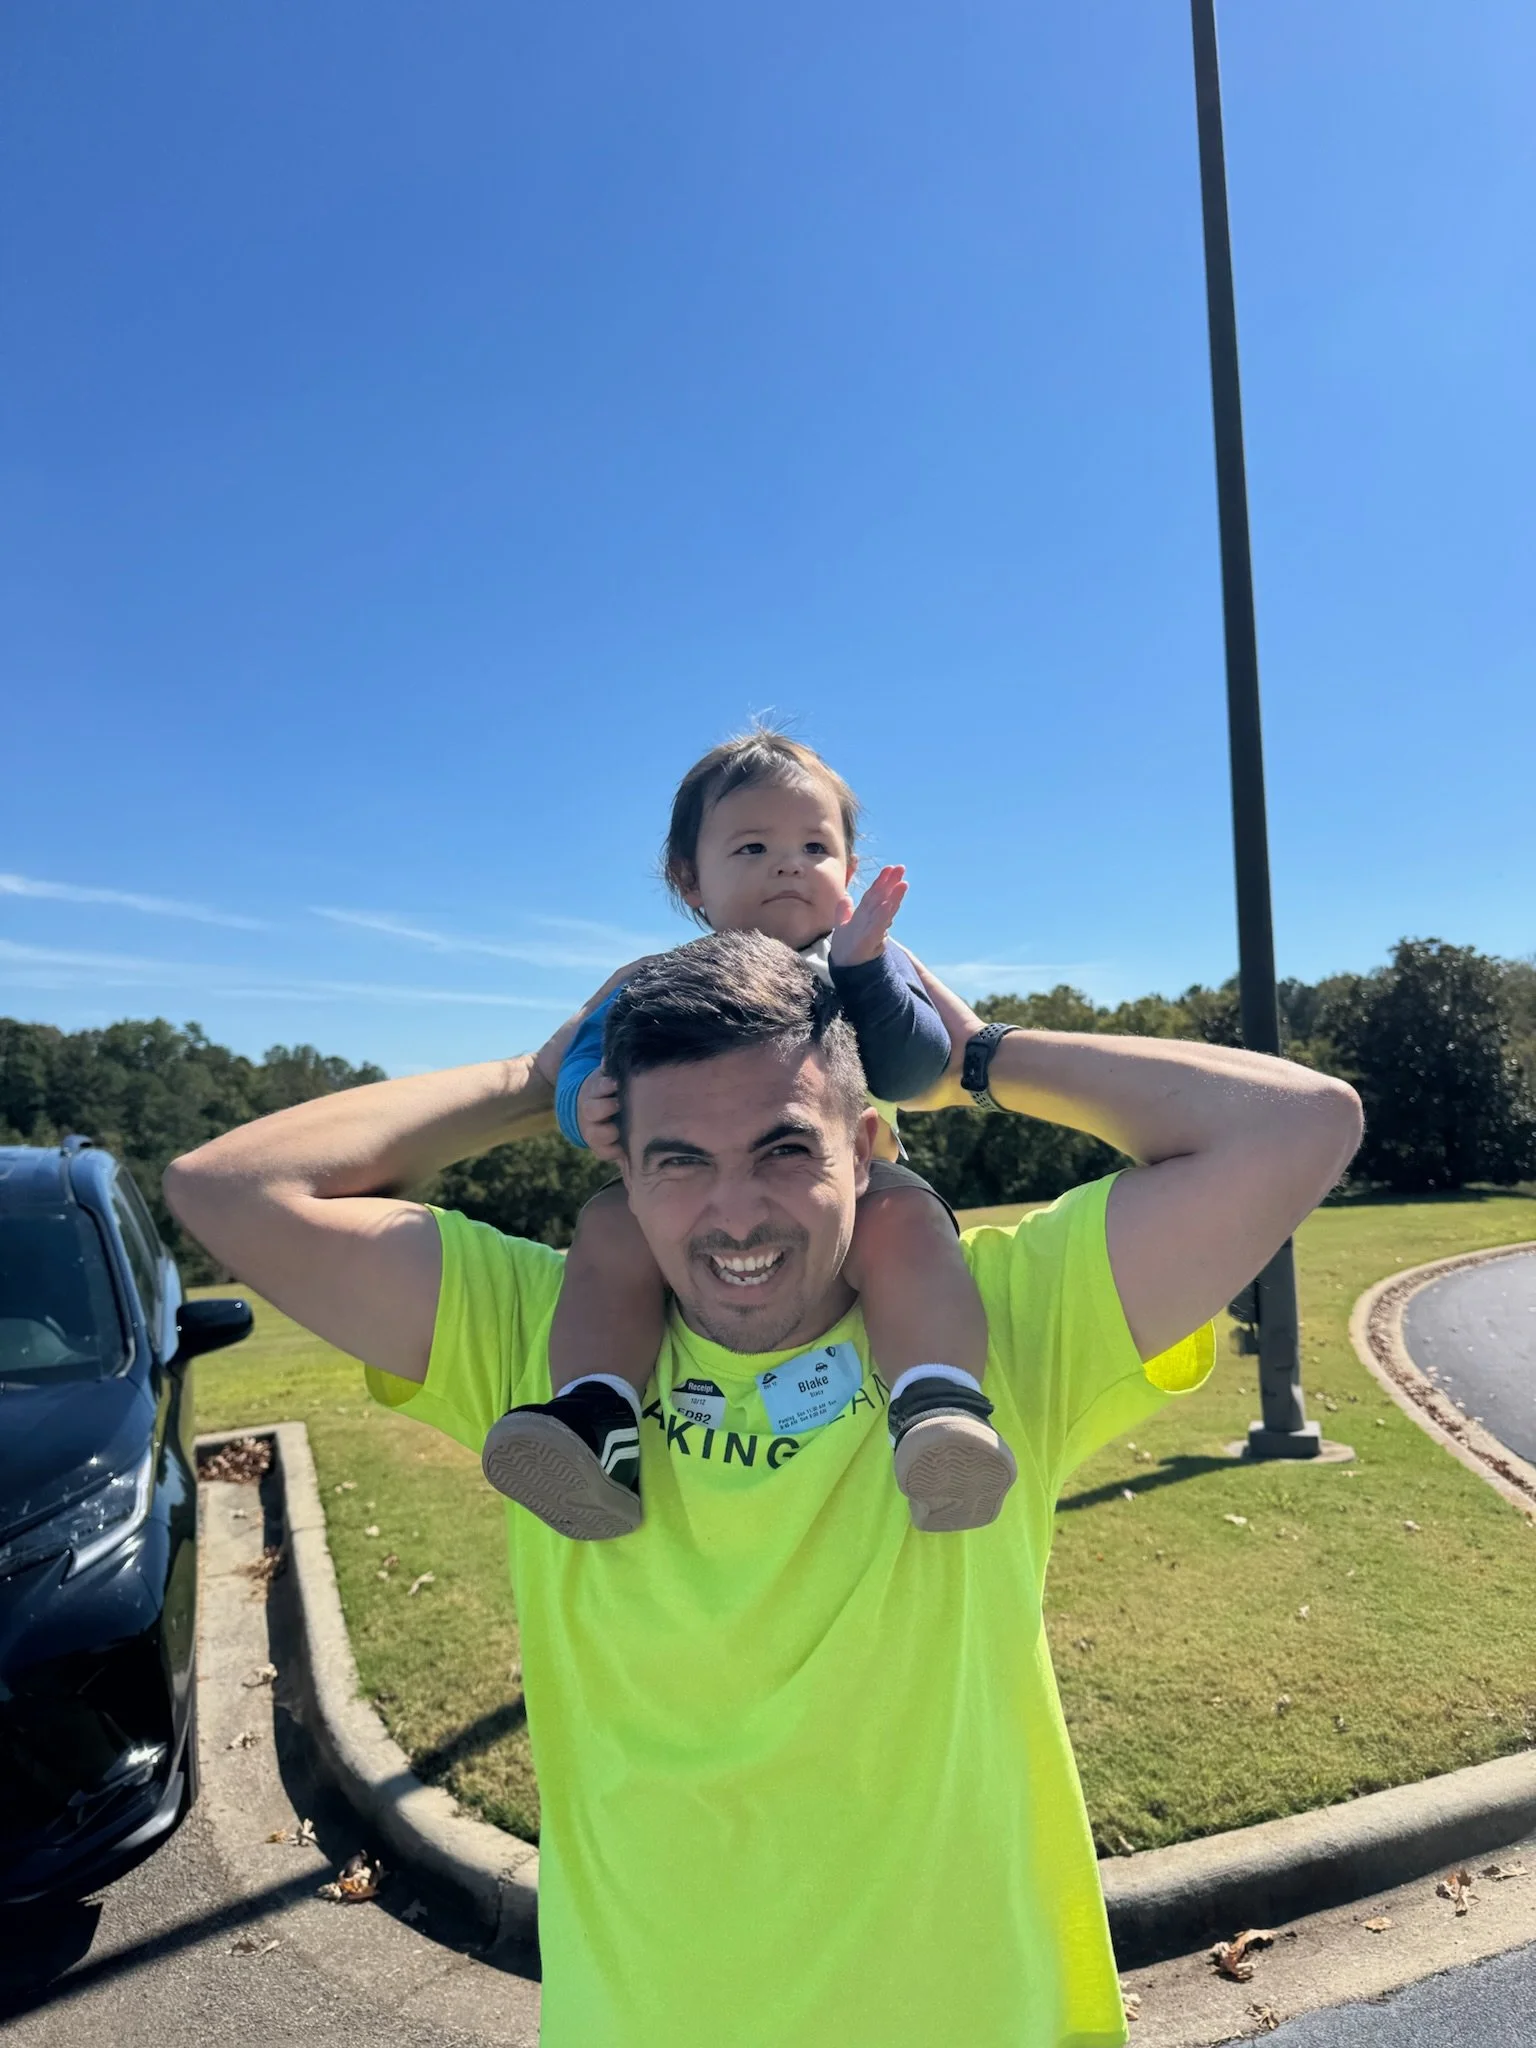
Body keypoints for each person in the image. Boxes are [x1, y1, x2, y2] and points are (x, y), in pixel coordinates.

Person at [164, 932, 1361, 2048]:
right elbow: (227, 1189)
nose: (735, 1212)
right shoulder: (530, 1336)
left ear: (867, 1148)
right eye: (677, 1160)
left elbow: (1298, 1124)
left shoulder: (1007, 1323)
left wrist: (976, 1056)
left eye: (785, 1148)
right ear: (620, 1172)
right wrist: (542, 1076)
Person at [480, 727, 1014, 1541]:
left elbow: (912, 1071)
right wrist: (582, 1100)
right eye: (754, 845)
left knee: (907, 1227)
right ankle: (596, 1416)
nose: (788, 864)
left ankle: (938, 1406)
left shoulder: (862, 960)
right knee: (604, 1230)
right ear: (689, 879)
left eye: (814, 845)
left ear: (851, 872)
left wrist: (868, 970)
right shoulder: (657, 984)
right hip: (679, 1197)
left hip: (856, 1189)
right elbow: (582, 1060)